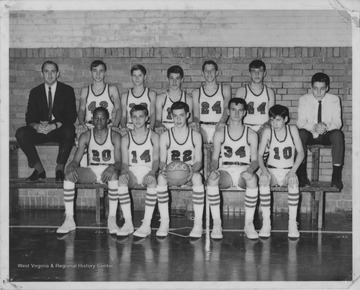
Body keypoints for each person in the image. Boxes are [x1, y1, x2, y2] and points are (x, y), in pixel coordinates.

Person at [56, 107, 122, 234]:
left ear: (108, 120)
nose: (99, 121)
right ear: (92, 119)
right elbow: (76, 160)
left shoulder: (115, 136)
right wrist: (70, 168)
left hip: (109, 169)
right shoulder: (85, 136)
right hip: (92, 170)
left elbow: (119, 162)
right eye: (96, 118)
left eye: (102, 118)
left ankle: (112, 219)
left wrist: (112, 167)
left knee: (114, 175)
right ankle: (69, 219)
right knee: (69, 176)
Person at [15, 60, 77, 182]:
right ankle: (39, 170)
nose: (49, 75)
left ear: (58, 73)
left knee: (70, 130)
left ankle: (59, 169)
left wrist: (54, 126)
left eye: (53, 71)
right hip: (40, 131)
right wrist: (37, 126)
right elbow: (29, 117)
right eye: (46, 71)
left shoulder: (67, 90)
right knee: (21, 133)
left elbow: (71, 116)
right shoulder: (35, 92)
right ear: (42, 74)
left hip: (58, 130)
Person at [207, 98, 259, 240]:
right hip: (226, 170)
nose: (236, 113)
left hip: (243, 170)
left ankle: (248, 223)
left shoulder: (252, 134)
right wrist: (213, 169)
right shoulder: (219, 133)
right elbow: (214, 158)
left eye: (240, 110)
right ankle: (217, 223)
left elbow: (255, 160)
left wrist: (250, 170)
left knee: (253, 179)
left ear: (244, 113)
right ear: (228, 111)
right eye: (233, 110)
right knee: (212, 179)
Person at [156, 101, 204, 238]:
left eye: (181, 115)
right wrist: (163, 169)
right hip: (172, 173)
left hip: (189, 173)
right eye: (175, 116)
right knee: (160, 178)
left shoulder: (196, 135)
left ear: (188, 115)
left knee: (198, 177)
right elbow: (162, 161)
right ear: (171, 116)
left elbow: (199, 162)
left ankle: (198, 223)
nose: (178, 119)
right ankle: (164, 221)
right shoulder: (165, 136)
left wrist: (191, 170)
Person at [258, 104, 304, 238]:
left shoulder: (293, 129)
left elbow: (301, 152)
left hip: (288, 171)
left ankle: (292, 223)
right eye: (272, 120)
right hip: (272, 170)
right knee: (264, 180)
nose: (274, 123)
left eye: (278, 120)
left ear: (286, 119)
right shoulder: (268, 131)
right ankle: (266, 223)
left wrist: (293, 171)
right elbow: (260, 155)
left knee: (293, 181)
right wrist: (264, 171)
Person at [296, 72, 344, 190]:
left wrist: (325, 126)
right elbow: (300, 122)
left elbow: (338, 122)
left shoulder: (334, 99)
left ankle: (336, 177)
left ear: (327, 87)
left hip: (327, 134)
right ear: (311, 87)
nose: (318, 92)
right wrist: (314, 126)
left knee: (338, 134)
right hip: (310, 133)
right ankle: (301, 175)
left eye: (322, 89)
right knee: (300, 133)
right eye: (315, 89)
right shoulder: (304, 99)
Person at [118, 104, 160, 237]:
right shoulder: (125, 138)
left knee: (153, 182)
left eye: (141, 116)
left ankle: (146, 224)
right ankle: (128, 223)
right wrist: (124, 173)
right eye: (134, 117)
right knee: (121, 180)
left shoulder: (154, 136)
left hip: (148, 170)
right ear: (130, 118)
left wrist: (153, 172)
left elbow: (156, 160)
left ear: (147, 118)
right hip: (133, 171)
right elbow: (125, 163)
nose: (137, 120)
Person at [76, 60, 121, 136]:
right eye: (95, 71)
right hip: (89, 125)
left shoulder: (112, 89)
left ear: (105, 73)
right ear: (90, 73)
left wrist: (115, 124)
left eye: (101, 71)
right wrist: (81, 123)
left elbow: (119, 109)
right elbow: (81, 110)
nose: (98, 74)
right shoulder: (85, 90)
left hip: (107, 125)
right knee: (79, 133)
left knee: (116, 135)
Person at [191, 60, 232, 143]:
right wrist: (195, 123)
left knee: (222, 137)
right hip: (203, 127)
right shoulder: (196, 92)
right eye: (206, 70)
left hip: (219, 125)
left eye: (212, 70)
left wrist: (222, 121)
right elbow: (196, 116)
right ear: (202, 73)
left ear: (216, 72)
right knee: (194, 136)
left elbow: (226, 109)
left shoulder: (225, 89)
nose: (209, 73)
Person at [234, 59, 275, 134]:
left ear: (264, 73)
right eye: (253, 71)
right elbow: (235, 115)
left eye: (260, 71)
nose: (257, 74)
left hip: (264, 128)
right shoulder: (241, 91)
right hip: (246, 128)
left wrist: (267, 124)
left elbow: (272, 116)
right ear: (249, 73)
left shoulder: (269, 92)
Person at [155, 65, 193, 135]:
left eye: (177, 78)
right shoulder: (160, 98)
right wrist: (160, 125)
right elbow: (157, 120)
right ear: (167, 79)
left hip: (181, 130)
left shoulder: (188, 99)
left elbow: (190, 121)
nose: (174, 81)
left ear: (182, 80)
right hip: (165, 130)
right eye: (171, 78)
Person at [120, 64, 156, 135]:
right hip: (130, 128)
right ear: (131, 77)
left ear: (144, 77)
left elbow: (152, 114)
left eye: (140, 76)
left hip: (146, 127)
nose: (137, 78)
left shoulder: (151, 94)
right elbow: (123, 116)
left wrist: (150, 129)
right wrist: (123, 126)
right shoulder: (125, 96)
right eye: (134, 76)